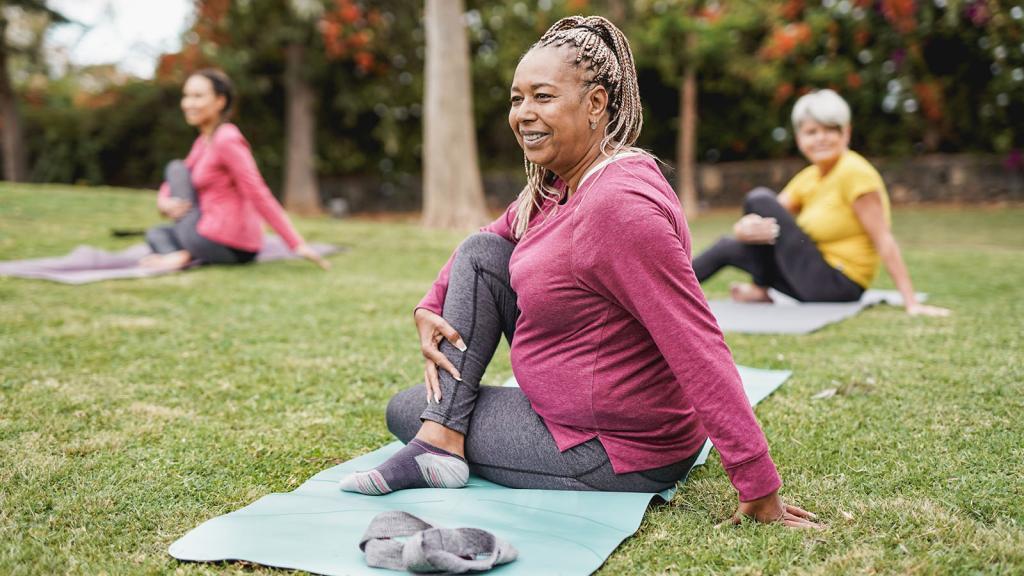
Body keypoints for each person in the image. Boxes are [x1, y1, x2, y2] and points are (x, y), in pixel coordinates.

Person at [340, 16, 819, 529]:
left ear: (595, 104)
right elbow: (489, 239)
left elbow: (695, 341)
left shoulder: (618, 207)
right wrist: (429, 304)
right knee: (481, 254)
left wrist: (758, 484)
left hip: (614, 448)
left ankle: (439, 439)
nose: (524, 113)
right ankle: (441, 438)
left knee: (406, 408)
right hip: (578, 416)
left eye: (542, 97)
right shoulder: (559, 184)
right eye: (516, 98)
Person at [692, 89, 949, 316]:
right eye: (812, 132)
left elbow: (883, 238)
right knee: (728, 245)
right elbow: (768, 216)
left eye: (830, 130)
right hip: (808, 277)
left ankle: (759, 289)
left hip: (838, 283)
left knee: (758, 197)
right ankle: (662, 297)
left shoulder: (855, 172)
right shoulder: (810, 177)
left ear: (846, 132)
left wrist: (911, 302)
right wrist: (743, 229)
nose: (820, 138)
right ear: (799, 138)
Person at [142, 69, 328, 271]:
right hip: (208, 236)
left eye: (197, 96)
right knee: (156, 233)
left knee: (175, 167)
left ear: (220, 101)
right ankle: (182, 255)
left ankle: (183, 254)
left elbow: (257, 192)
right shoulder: (203, 142)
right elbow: (176, 180)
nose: (188, 104)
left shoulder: (226, 138)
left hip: (225, 241)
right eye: (186, 96)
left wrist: (296, 243)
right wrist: (164, 202)